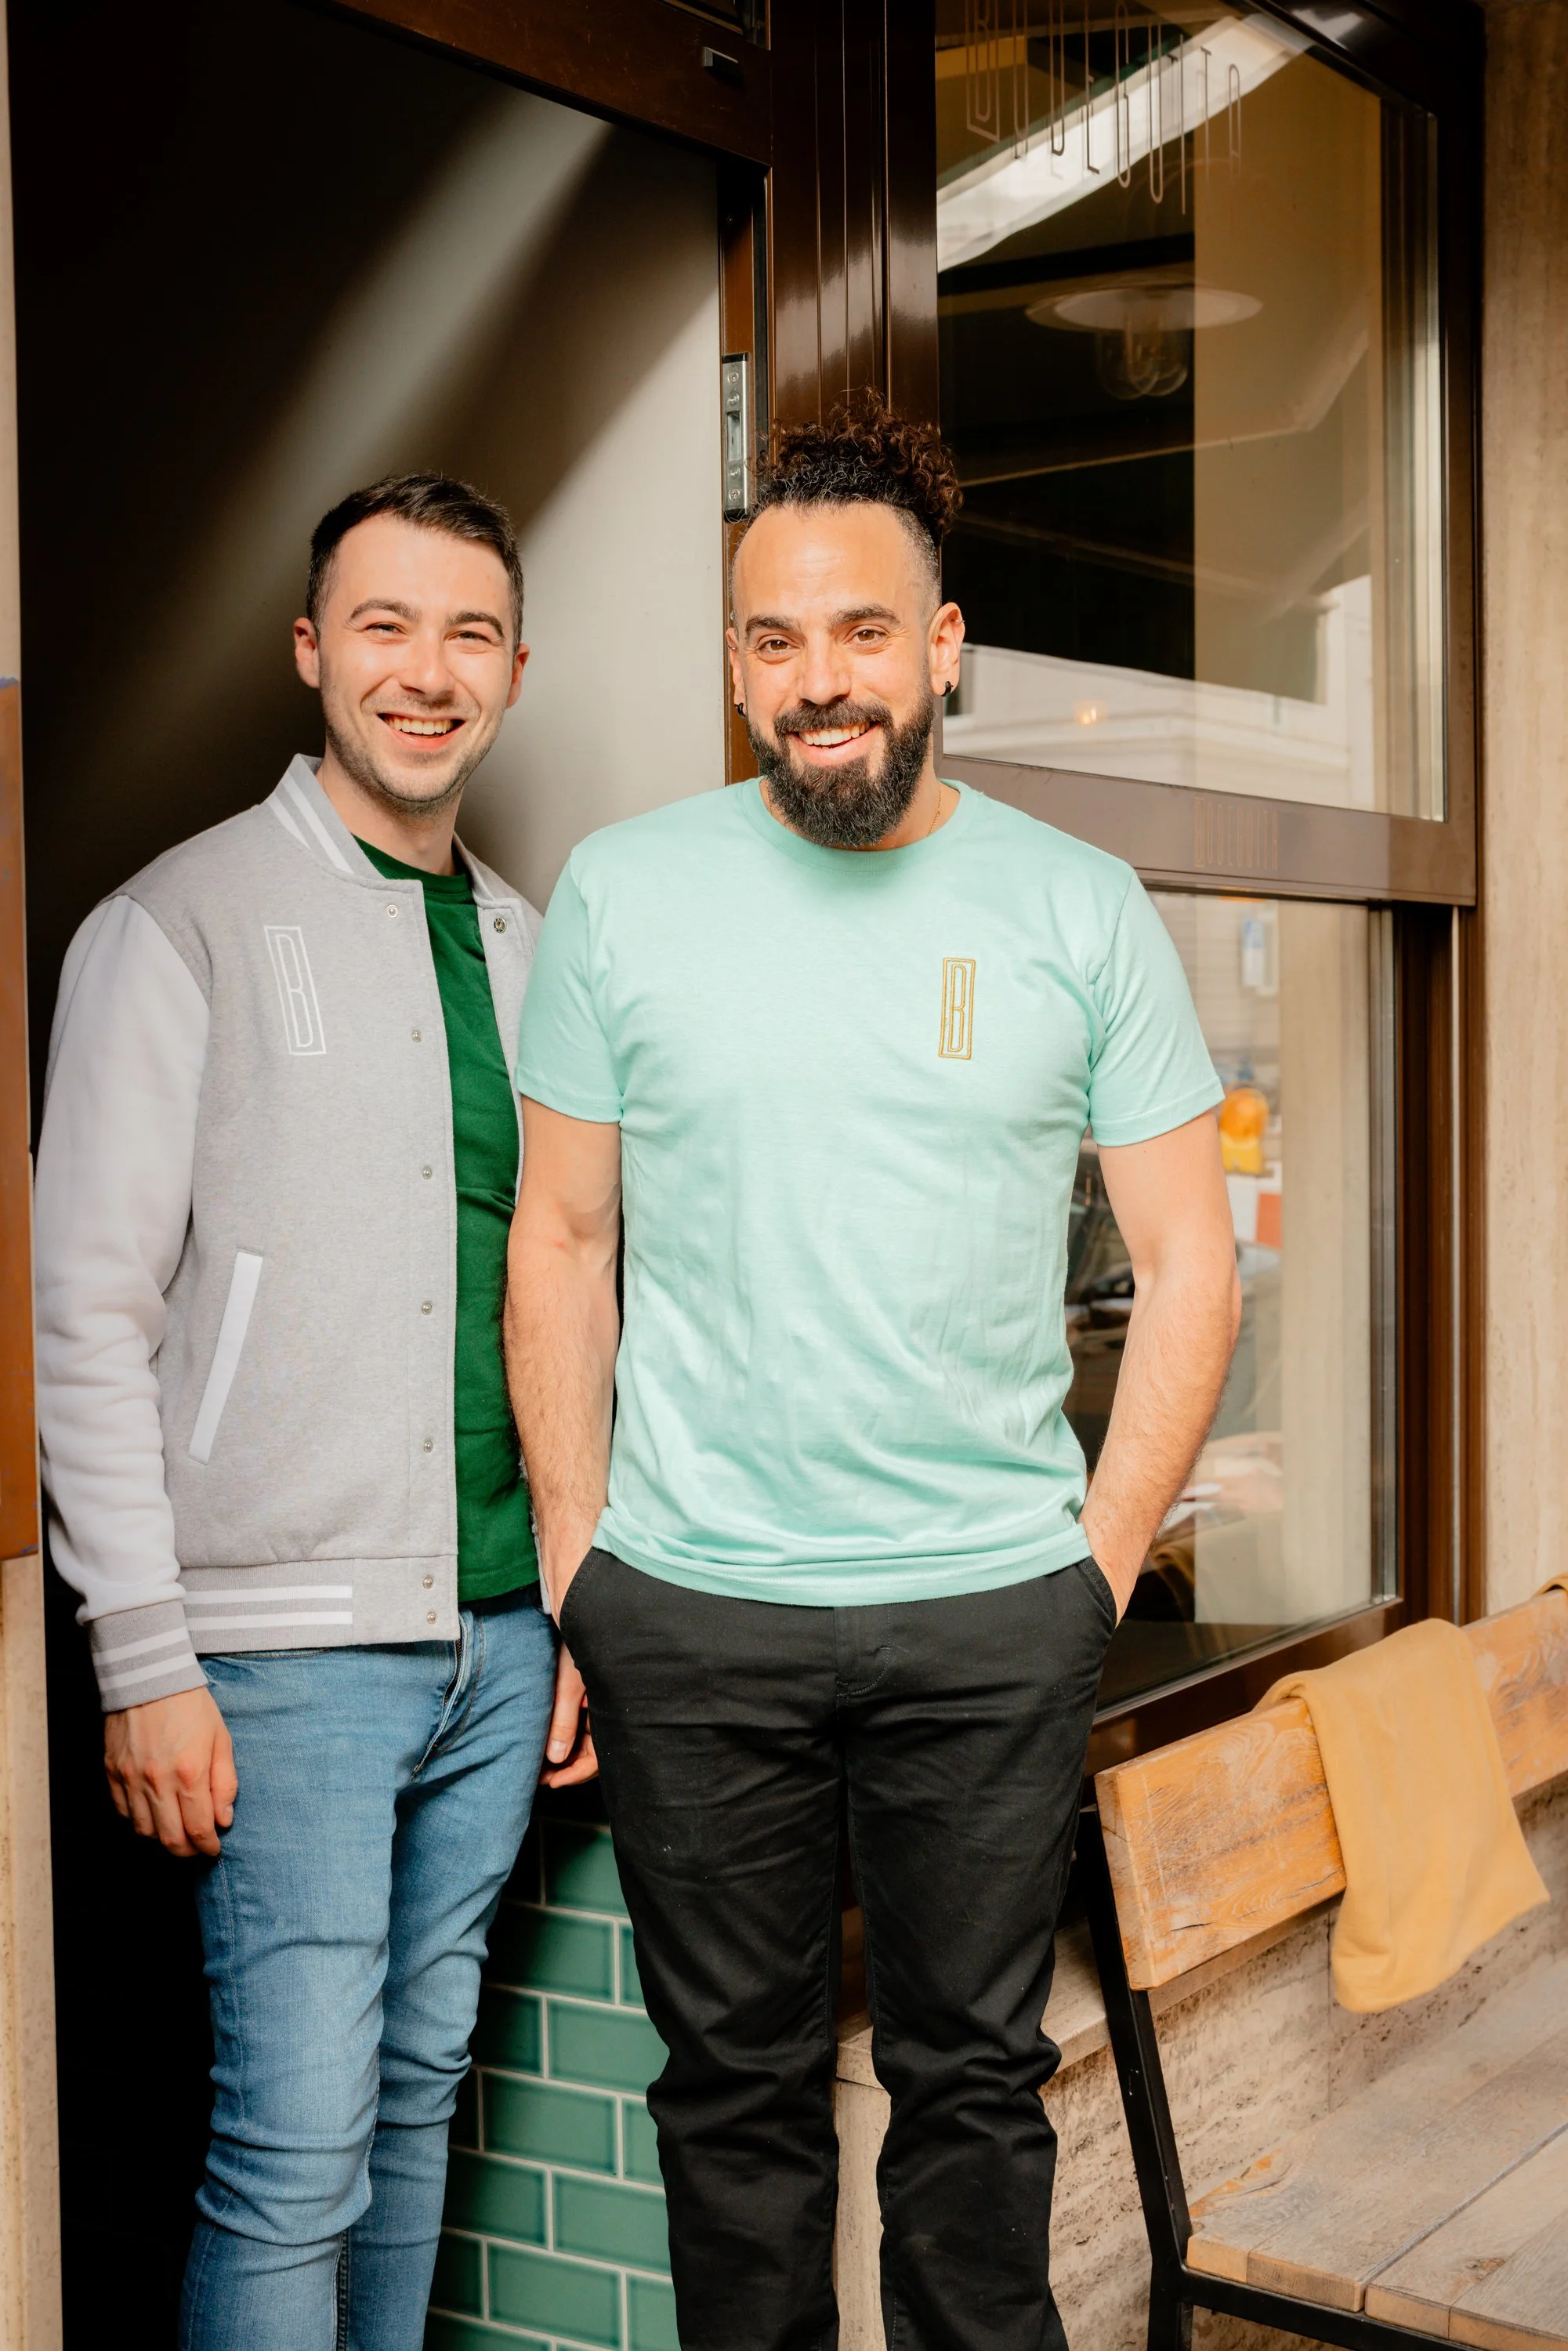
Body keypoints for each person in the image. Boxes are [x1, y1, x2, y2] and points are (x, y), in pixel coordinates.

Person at [506, 398, 1241, 2351]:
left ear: (943, 643)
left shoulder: (1075, 906)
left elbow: (1187, 1266)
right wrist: (584, 1563)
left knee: (969, 2102)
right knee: (731, 2113)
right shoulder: (624, 891)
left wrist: (1087, 1569)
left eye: (857, 634)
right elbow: (559, 1242)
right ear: (734, 658)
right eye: (771, 640)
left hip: (985, 1615)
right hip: (697, 1608)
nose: (814, 683)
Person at [34, 473, 557, 2351]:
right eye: (388, 626)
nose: (428, 671)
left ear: (514, 665)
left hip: (497, 1638)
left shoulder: (526, 942)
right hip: (278, 1658)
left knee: (416, 2102)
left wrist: (566, 1608)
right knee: (293, 2150)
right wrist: (143, 1656)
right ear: (312, 649)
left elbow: (559, 1299)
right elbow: (82, 1315)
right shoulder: (176, 923)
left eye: (470, 630)